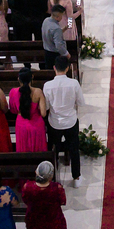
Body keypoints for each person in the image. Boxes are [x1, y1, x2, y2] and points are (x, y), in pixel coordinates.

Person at [43, 55, 85, 187]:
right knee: (74, 148)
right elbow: (81, 103)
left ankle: (52, 176)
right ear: (67, 68)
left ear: (54, 68)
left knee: (53, 148)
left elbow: (47, 107)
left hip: (54, 123)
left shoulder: (47, 85)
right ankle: (76, 177)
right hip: (70, 121)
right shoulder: (74, 83)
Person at [9, 67, 48, 152]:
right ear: (32, 77)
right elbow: (43, 113)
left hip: (21, 125)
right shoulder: (38, 92)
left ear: (18, 78)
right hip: (36, 125)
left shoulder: (13, 92)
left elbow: (13, 110)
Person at [41, 5, 68, 70]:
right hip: (54, 55)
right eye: (62, 16)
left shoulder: (46, 20)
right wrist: (66, 53)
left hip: (46, 51)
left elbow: (50, 34)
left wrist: (62, 31)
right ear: (57, 17)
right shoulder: (56, 28)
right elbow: (58, 45)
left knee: (48, 71)